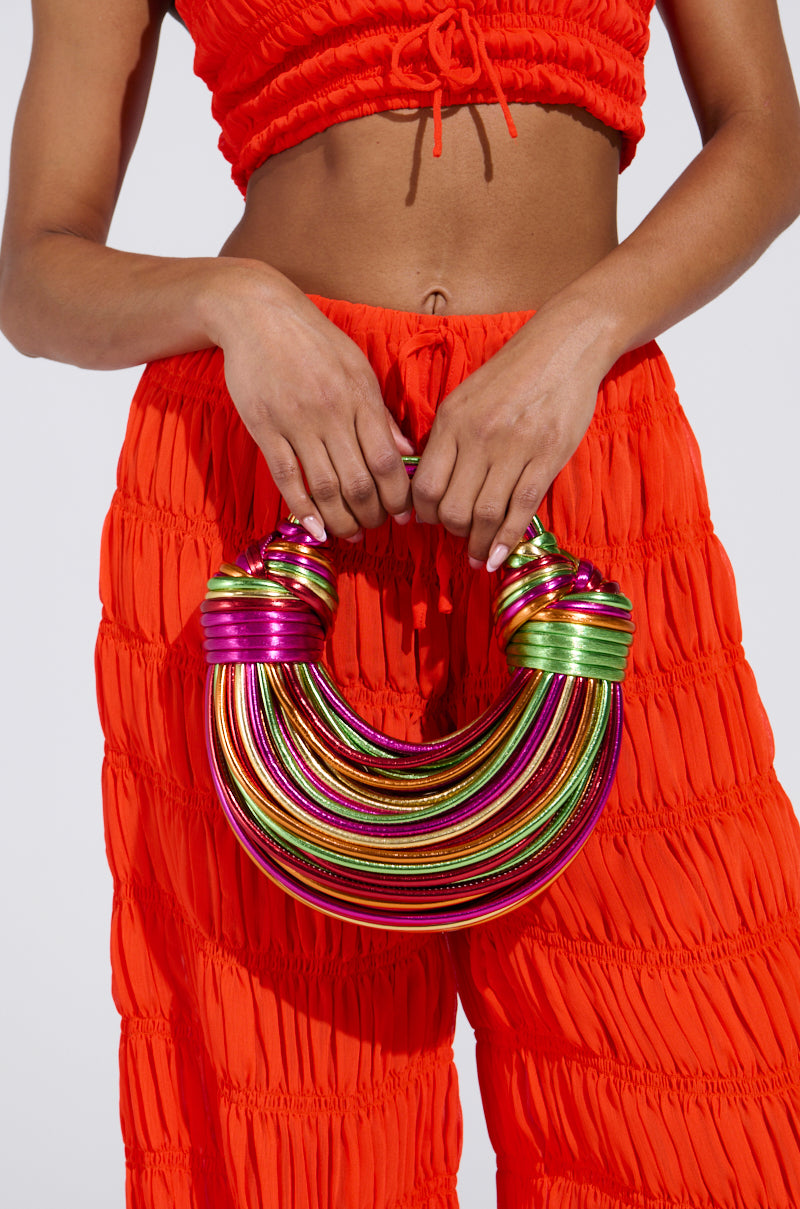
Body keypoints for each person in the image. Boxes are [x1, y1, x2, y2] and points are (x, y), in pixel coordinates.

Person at [2, 0, 800, 1206]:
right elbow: (36, 271)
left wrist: (579, 332)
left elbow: (766, 138)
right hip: (275, 477)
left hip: (573, 445)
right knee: (290, 1126)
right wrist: (238, 305)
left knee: (689, 1083)